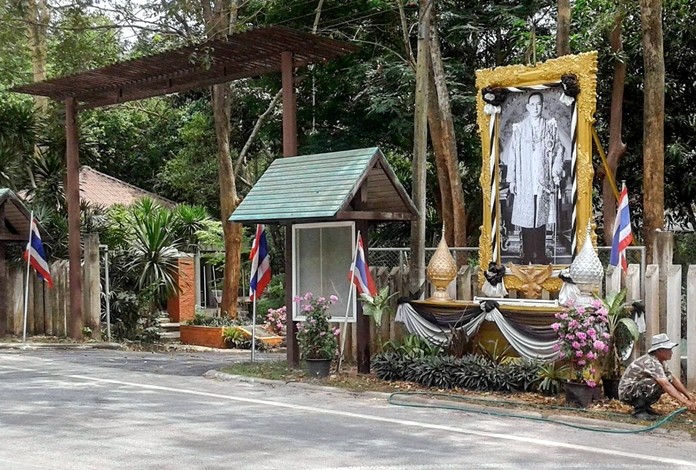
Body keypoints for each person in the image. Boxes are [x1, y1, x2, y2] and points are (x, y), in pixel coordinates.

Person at [506, 92, 565, 264]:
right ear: (528, 107)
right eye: (532, 104)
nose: (536, 107)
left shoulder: (550, 127)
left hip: (542, 180)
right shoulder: (519, 128)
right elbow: (513, 155)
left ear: (542, 105)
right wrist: (512, 180)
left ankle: (539, 254)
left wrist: (555, 173)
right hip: (525, 179)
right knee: (526, 217)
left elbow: (558, 151)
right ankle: (526, 254)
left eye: (538, 104)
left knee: (540, 217)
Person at [618, 333, 696, 420]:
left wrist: (688, 395)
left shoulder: (661, 361)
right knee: (656, 383)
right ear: (659, 351)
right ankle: (639, 410)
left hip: (634, 390)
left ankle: (645, 407)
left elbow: (672, 378)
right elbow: (666, 384)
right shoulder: (651, 362)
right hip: (627, 393)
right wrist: (685, 402)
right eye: (668, 349)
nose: (671, 352)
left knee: (667, 378)